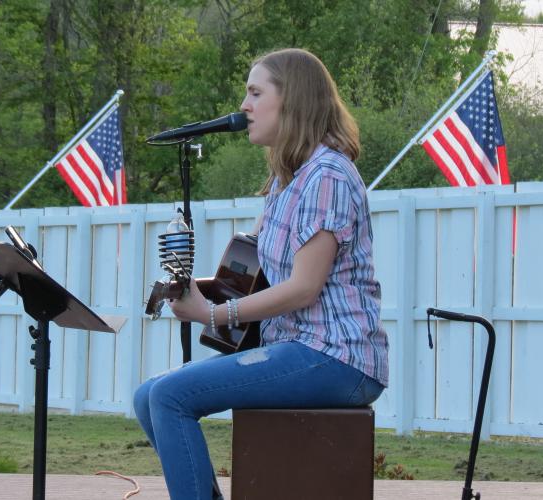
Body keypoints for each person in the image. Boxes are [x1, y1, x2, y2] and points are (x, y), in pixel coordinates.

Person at [133, 48, 389, 500]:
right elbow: (256, 271)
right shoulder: (285, 181)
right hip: (298, 348)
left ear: (293, 101)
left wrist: (212, 316)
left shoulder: (326, 175)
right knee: (147, 396)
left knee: (170, 397)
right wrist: (192, 292)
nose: (244, 107)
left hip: (337, 356)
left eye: (255, 93)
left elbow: (303, 288)